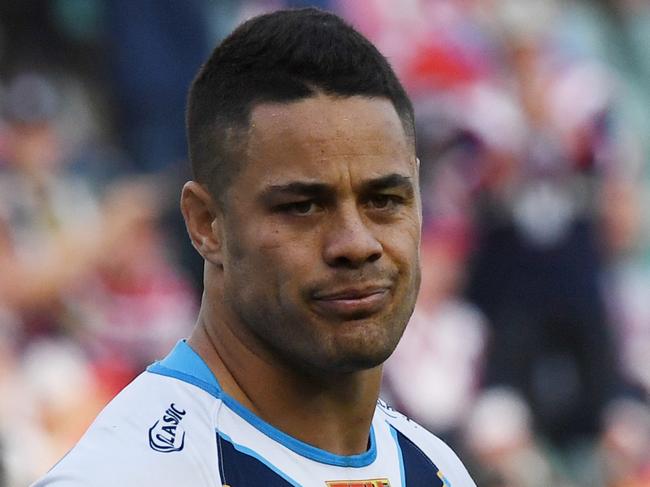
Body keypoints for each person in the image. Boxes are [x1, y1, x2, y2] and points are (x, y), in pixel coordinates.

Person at [33, 8, 476, 486]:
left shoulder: (440, 470)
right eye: (304, 206)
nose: (357, 244)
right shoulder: (135, 475)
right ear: (206, 224)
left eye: (384, 200)